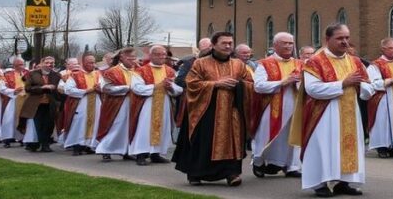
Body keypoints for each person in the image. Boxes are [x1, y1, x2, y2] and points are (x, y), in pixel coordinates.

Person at [292, 23, 373, 197]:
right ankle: (319, 183)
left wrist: (360, 86)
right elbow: (312, 89)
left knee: (348, 146)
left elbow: (369, 88)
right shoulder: (315, 61)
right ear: (327, 39)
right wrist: (342, 83)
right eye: (340, 38)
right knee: (323, 147)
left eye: (347, 38)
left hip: (351, 112)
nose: (345, 42)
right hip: (323, 114)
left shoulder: (355, 61)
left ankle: (343, 182)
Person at [173, 31, 254, 187]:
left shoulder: (238, 64)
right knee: (203, 141)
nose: (228, 46)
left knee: (232, 141)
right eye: (224, 43)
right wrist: (215, 84)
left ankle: (231, 173)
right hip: (205, 110)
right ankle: (196, 174)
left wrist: (239, 85)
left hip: (231, 110)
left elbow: (250, 84)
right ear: (214, 45)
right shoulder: (200, 63)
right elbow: (191, 83)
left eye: (230, 43)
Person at [250, 31, 303, 178]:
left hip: (295, 105)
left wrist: (299, 83)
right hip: (271, 106)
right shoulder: (265, 64)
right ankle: (259, 161)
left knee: (293, 136)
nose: (288, 46)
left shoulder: (299, 64)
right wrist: (282, 82)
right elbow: (259, 86)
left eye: (290, 43)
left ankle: (291, 166)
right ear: (275, 45)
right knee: (266, 135)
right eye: (284, 43)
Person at [130, 45, 182, 166]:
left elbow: (179, 90)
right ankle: (141, 154)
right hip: (148, 104)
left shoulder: (170, 71)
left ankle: (156, 154)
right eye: (158, 54)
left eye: (164, 55)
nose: (162, 57)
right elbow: (137, 88)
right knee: (144, 128)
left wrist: (171, 87)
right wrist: (157, 86)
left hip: (164, 104)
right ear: (151, 55)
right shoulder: (141, 71)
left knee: (163, 128)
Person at [96, 48, 138, 161]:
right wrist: (126, 88)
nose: (132, 60)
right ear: (121, 58)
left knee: (129, 127)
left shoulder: (137, 71)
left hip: (133, 103)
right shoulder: (112, 71)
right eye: (129, 58)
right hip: (116, 104)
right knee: (115, 127)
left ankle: (126, 150)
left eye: (134, 58)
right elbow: (106, 88)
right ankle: (105, 150)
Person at [61, 53, 102, 155]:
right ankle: (77, 145)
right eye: (90, 62)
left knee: (95, 123)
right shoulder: (75, 75)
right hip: (81, 103)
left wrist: (100, 89)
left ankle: (90, 145)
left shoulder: (98, 74)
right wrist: (86, 91)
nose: (93, 64)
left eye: (94, 62)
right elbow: (68, 90)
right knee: (79, 123)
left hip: (96, 102)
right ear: (83, 63)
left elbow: (104, 86)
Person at [19, 55, 61, 152]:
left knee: (49, 124)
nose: (50, 65)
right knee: (39, 124)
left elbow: (60, 89)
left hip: (51, 103)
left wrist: (57, 89)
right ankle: (43, 144)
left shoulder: (57, 75)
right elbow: (27, 88)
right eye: (47, 62)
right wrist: (42, 88)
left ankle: (45, 143)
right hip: (36, 103)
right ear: (42, 64)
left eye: (52, 63)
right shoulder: (32, 74)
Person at [0, 56, 28, 147]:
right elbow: (1, 88)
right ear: (14, 66)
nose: (21, 66)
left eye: (22, 64)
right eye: (19, 65)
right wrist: (13, 91)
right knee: (9, 119)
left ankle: (22, 137)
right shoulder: (7, 75)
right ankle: (7, 139)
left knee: (23, 118)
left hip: (25, 99)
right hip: (13, 99)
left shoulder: (27, 74)